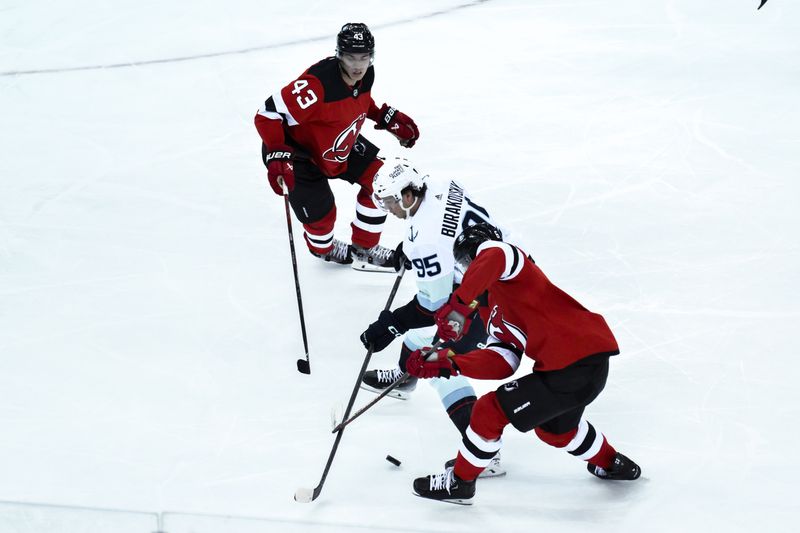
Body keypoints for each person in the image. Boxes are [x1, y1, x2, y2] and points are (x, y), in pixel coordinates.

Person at [405, 223, 641, 504]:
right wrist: (449, 362)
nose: (467, 269)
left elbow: (494, 256)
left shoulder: (514, 267)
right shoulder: (489, 309)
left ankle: (460, 482)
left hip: (572, 364)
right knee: (555, 431)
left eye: (469, 261)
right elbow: (502, 362)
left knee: (487, 411)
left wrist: (458, 304)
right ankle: (611, 462)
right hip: (579, 369)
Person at [359, 158, 511, 477]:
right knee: (420, 344)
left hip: (497, 298)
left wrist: (391, 323)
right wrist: (409, 244)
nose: (387, 208)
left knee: (443, 365)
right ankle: (405, 378)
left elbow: (434, 305)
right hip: (507, 264)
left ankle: (485, 452)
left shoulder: (424, 241)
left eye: (389, 201)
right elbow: (446, 228)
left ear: (408, 195)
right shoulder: (441, 183)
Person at [254, 23, 419, 271]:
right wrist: (278, 153)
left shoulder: (367, 74)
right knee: (322, 217)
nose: (358, 65)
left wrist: (384, 117)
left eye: (364, 57)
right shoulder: (316, 85)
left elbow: (358, 101)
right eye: (351, 57)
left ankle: (365, 247)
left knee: (382, 182)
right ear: (339, 54)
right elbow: (267, 115)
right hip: (299, 155)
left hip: (338, 140)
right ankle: (323, 248)